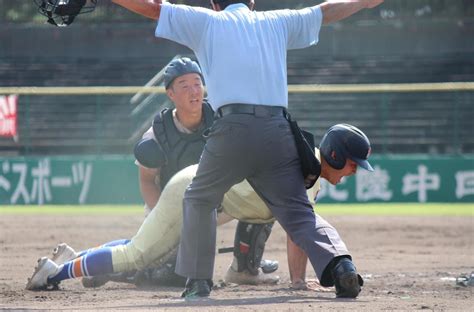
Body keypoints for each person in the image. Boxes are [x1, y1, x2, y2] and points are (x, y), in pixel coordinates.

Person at [107, 0, 383, 299]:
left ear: (214, 4)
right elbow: (326, 11)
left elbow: (154, 8)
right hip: (277, 129)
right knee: (297, 210)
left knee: (199, 199)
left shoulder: (207, 22)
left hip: (232, 128)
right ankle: (341, 265)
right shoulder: (276, 21)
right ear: (251, 2)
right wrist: (366, 2)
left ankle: (198, 282)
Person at [25, 123, 374, 296]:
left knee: (145, 250)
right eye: (353, 164)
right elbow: (300, 229)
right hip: (193, 192)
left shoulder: (309, 171)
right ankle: (55, 274)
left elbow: (298, 229)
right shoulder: (301, 169)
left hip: (212, 199)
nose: (354, 171)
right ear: (335, 156)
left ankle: (73, 257)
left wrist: (298, 282)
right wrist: (298, 282)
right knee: (138, 256)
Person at [89, 56, 278, 288]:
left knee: (264, 199)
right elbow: (147, 182)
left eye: (197, 83)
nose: (194, 91)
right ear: (170, 94)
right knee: (172, 274)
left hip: (214, 203)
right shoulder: (158, 133)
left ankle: (246, 267)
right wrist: (167, 221)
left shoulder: (221, 119)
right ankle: (108, 265)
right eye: (184, 85)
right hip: (172, 208)